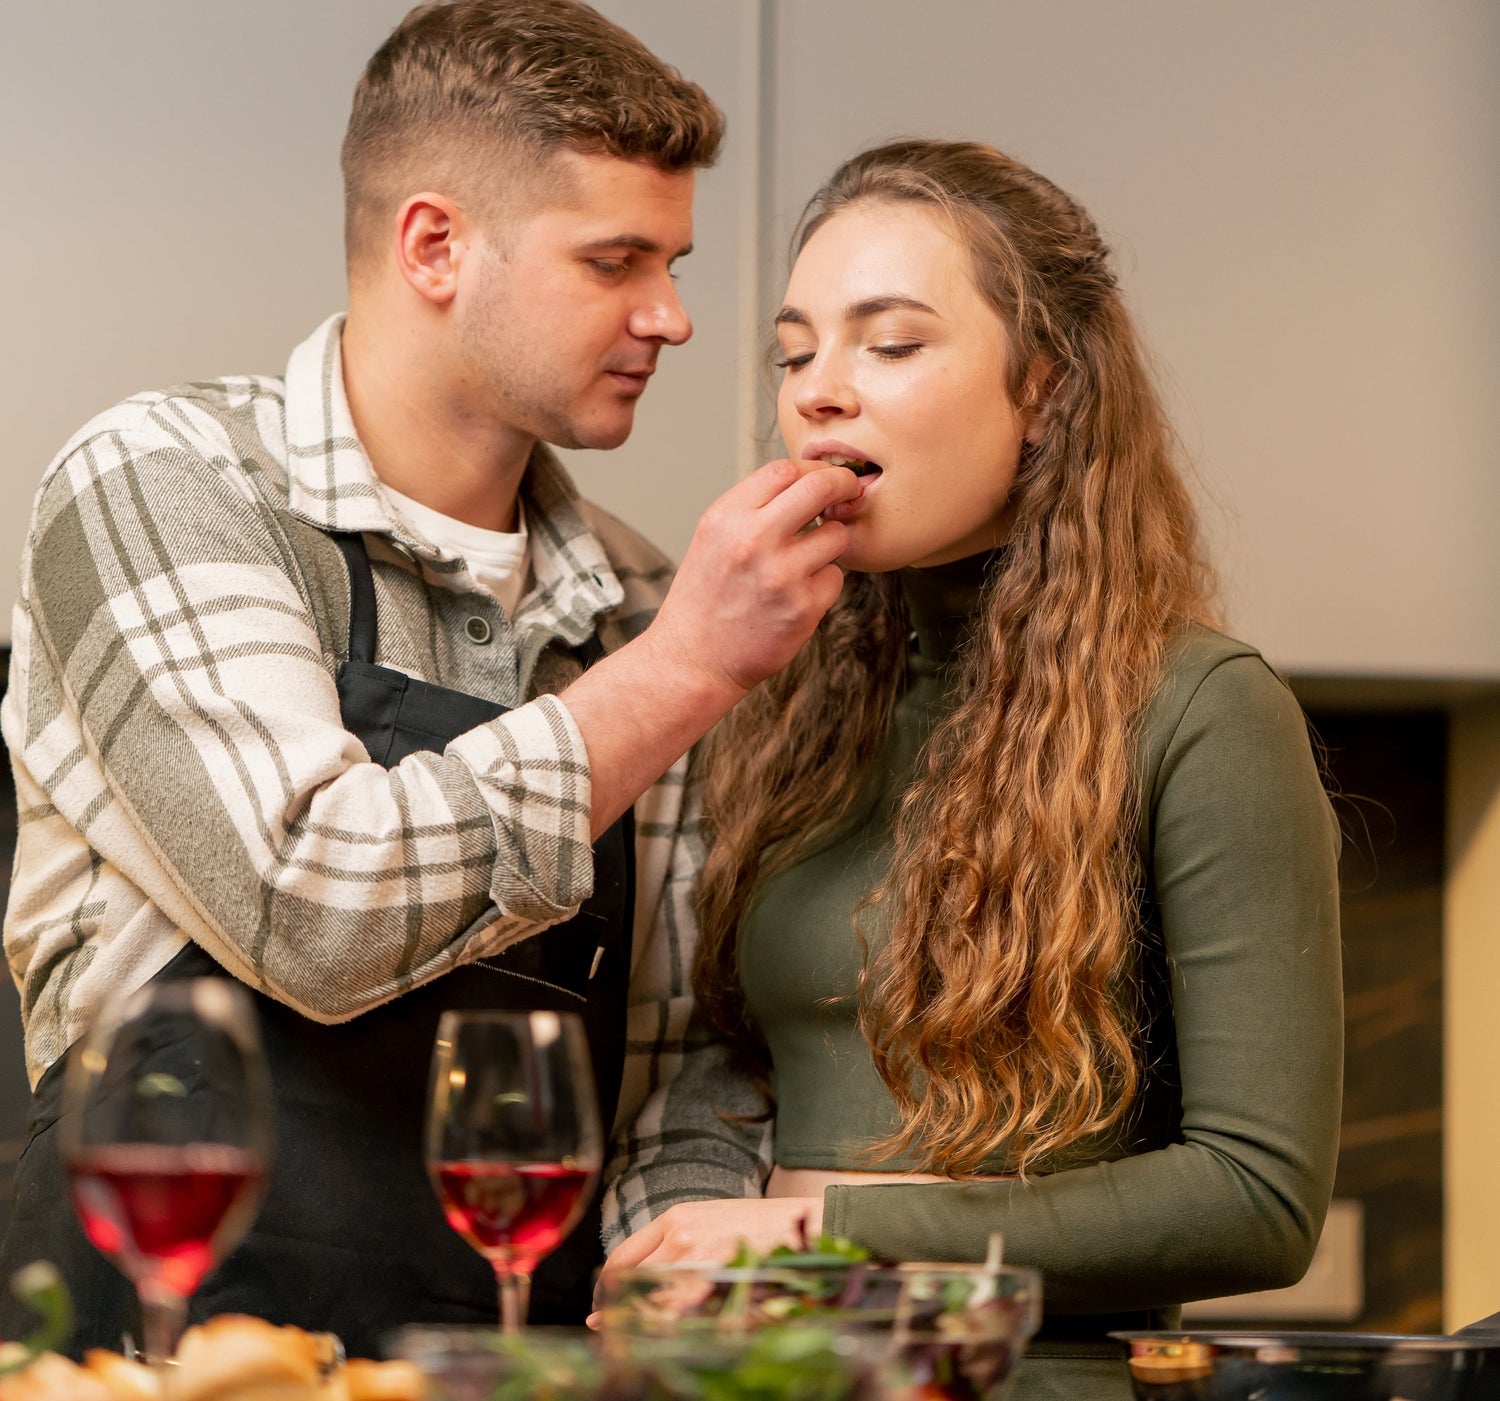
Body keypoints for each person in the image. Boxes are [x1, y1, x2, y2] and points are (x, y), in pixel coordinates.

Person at [0, 0, 859, 1357]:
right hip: (160, 1356)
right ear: (436, 245)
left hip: (506, 1362)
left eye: (675, 261)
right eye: (616, 260)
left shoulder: (642, 599)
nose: (674, 317)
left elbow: (678, 1058)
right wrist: (685, 671)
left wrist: (670, 1277)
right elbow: (307, 902)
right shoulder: (162, 482)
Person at [602, 140, 1344, 1401]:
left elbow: (1257, 1196)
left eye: (889, 344)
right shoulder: (785, 707)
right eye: (796, 354)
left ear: (1046, 391)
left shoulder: (1204, 711)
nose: (820, 393)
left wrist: (821, 1238)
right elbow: (735, 1084)